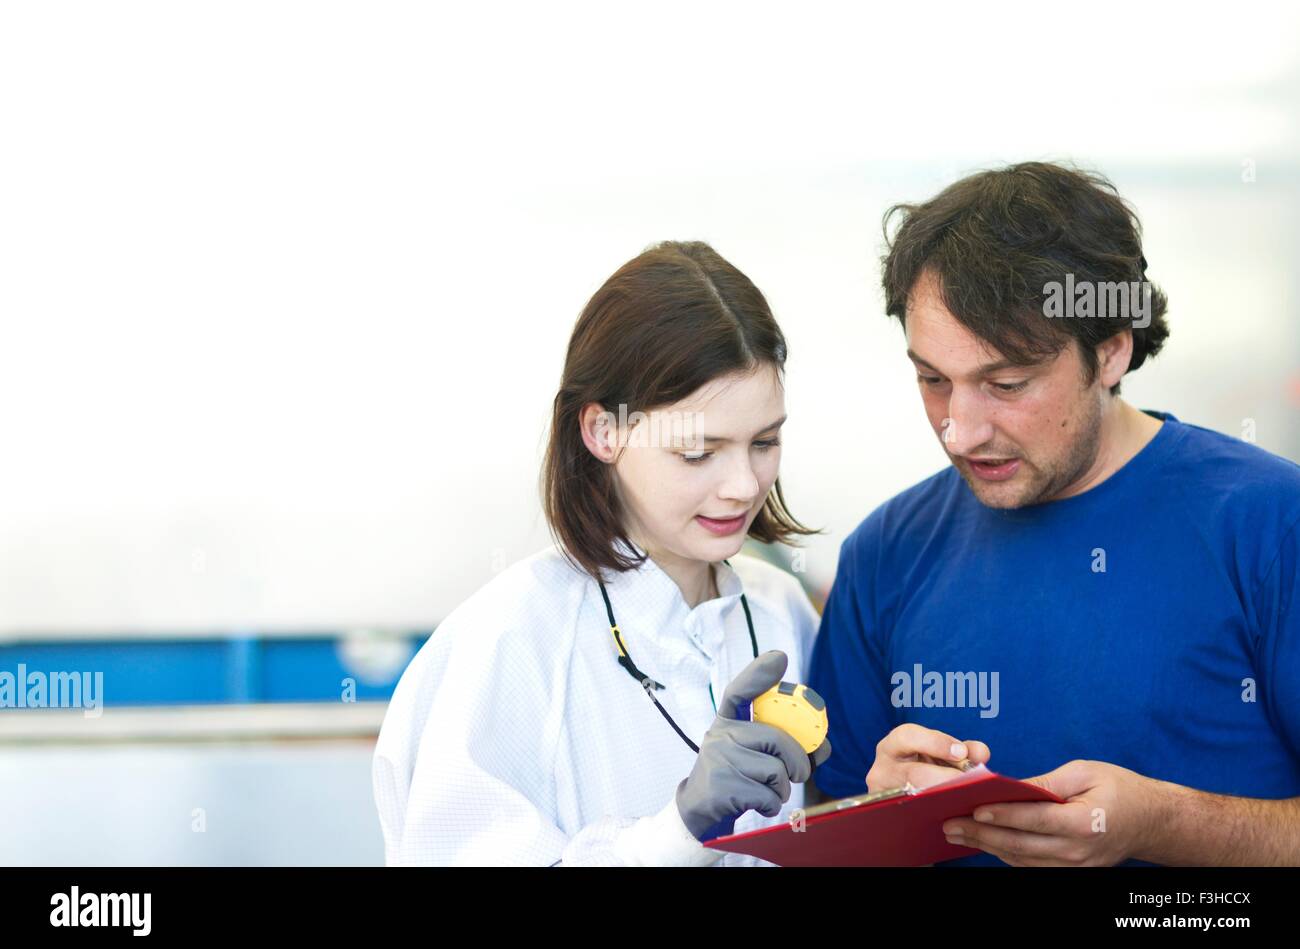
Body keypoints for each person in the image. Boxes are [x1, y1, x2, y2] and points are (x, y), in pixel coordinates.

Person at [810, 161, 1300, 866]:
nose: (962, 430)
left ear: (1111, 350)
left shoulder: (1271, 527)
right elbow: (826, 832)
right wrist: (877, 813)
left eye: (1006, 384)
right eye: (932, 380)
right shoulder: (884, 554)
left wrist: (1163, 823)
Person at [373, 240, 829, 865]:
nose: (745, 486)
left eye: (764, 442)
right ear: (603, 431)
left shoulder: (781, 609)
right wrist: (678, 829)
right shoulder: (508, 641)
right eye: (698, 452)